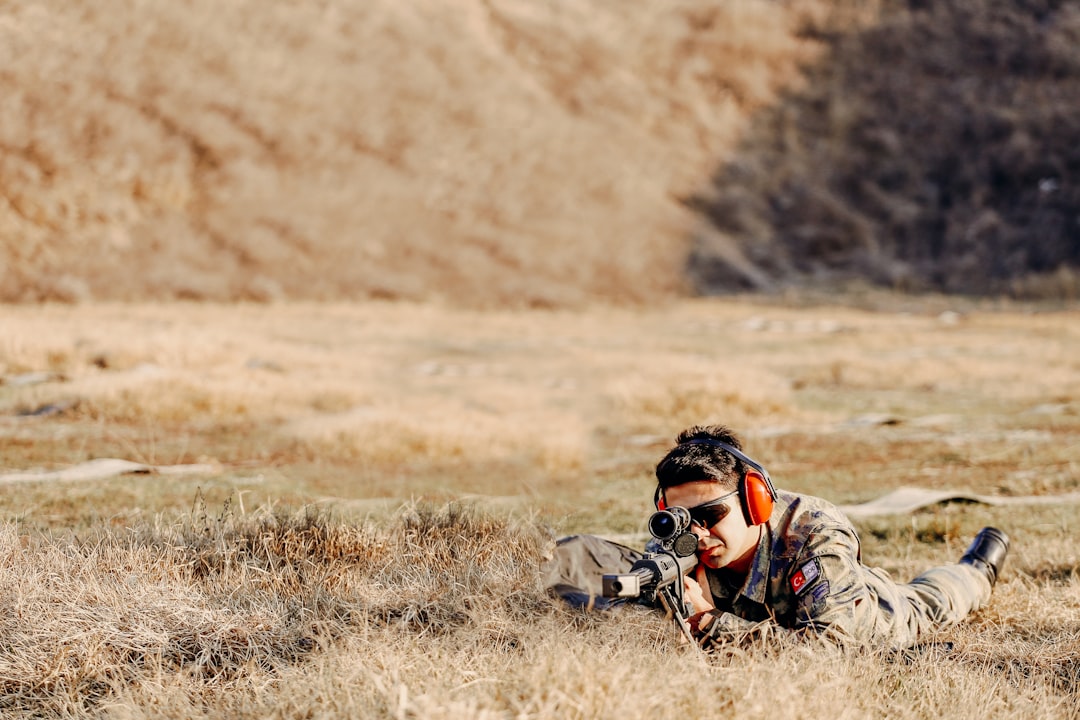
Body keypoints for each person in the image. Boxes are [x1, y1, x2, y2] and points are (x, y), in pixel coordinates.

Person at [544, 424, 1010, 649]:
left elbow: (828, 654)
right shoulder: (680, 545)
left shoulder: (814, 532)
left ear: (754, 501)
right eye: (680, 518)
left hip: (872, 616)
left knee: (932, 599)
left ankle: (978, 566)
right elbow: (618, 591)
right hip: (765, 618)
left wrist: (708, 624)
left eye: (710, 514)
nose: (697, 533)